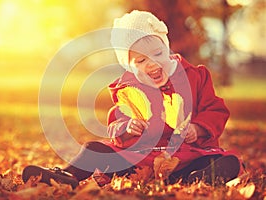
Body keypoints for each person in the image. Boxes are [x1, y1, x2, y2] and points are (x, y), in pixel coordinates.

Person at [22, 10, 242, 189]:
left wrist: (198, 128)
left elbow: (215, 109)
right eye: (141, 60)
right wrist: (127, 127)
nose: (153, 64)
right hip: (140, 158)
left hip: (185, 155)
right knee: (94, 148)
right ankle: (67, 176)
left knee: (221, 161)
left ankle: (195, 177)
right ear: (129, 65)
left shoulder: (194, 76)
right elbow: (115, 122)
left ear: (166, 48)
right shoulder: (129, 87)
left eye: (158, 53)